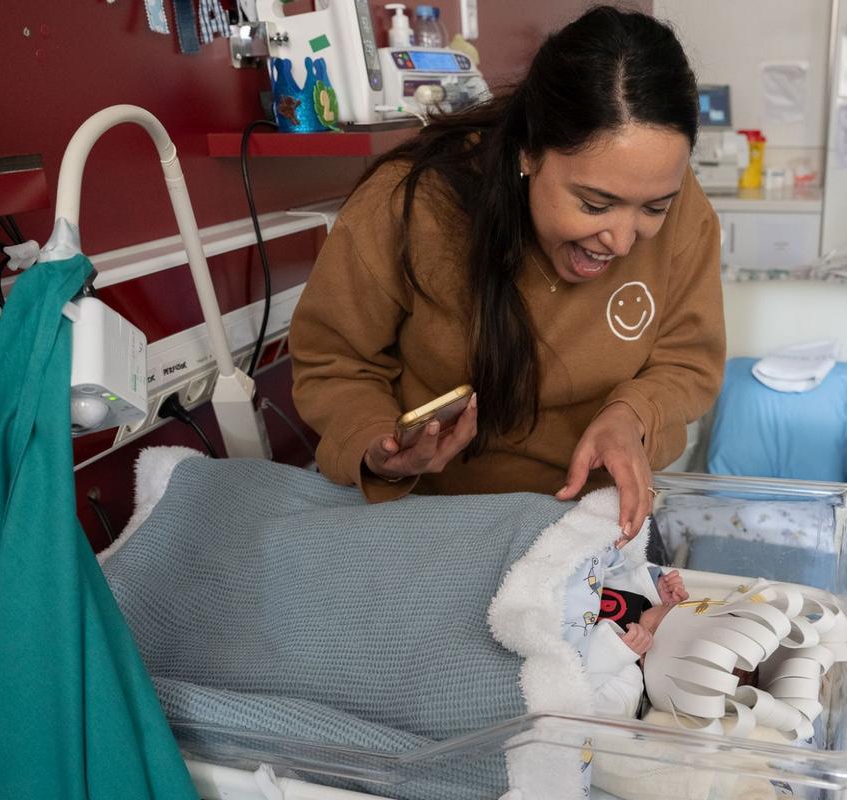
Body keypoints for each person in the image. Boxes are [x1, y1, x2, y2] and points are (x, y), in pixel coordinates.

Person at [289, 7, 725, 541]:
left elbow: (688, 359)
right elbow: (334, 362)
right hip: (430, 524)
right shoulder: (411, 206)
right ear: (528, 153)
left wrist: (633, 416)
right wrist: (381, 448)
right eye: (594, 204)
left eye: (653, 208)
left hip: (593, 524)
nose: (622, 240)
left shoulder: (687, 214)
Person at [586, 559, 689, 717]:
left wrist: (615, 652)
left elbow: (580, 698)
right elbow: (609, 570)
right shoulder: (643, 602)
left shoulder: (628, 684)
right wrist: (655, 587)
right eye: (672, 608)